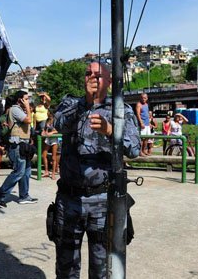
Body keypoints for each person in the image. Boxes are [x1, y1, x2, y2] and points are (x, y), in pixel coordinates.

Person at [51, 61, 140, 278]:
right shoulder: (70, 104)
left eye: (98, 74)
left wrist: (111, 131)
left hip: (102, 201)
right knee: (66, 267)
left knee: (101, 268)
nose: (91, 77)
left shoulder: (120, 110)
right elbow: (59, 123)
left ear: (109, 81)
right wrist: (86, 104)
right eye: (87, 73)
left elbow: (134, 149)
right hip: (69, 199)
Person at [0, 91, 38, 207]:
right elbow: (28, 120)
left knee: (26, 172)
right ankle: (0, 194)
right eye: (26, 99)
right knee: (19, 172)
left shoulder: (21, 110)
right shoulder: (15, 109)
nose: (28, 101)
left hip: (24, 145)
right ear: (20, 100)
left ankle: (24, 196)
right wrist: (27, 107)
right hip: (17, 145)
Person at [42, 112, 60, 180]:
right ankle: (46, 171)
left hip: (54, 139)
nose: (47, 113)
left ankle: (53, 173)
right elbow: (45, 129)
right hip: (48, 139)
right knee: (44, 155)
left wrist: (51, 132)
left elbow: (58, 130)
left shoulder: (56, 121)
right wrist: (43, 132)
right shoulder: (47, 120)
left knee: (53, 157)